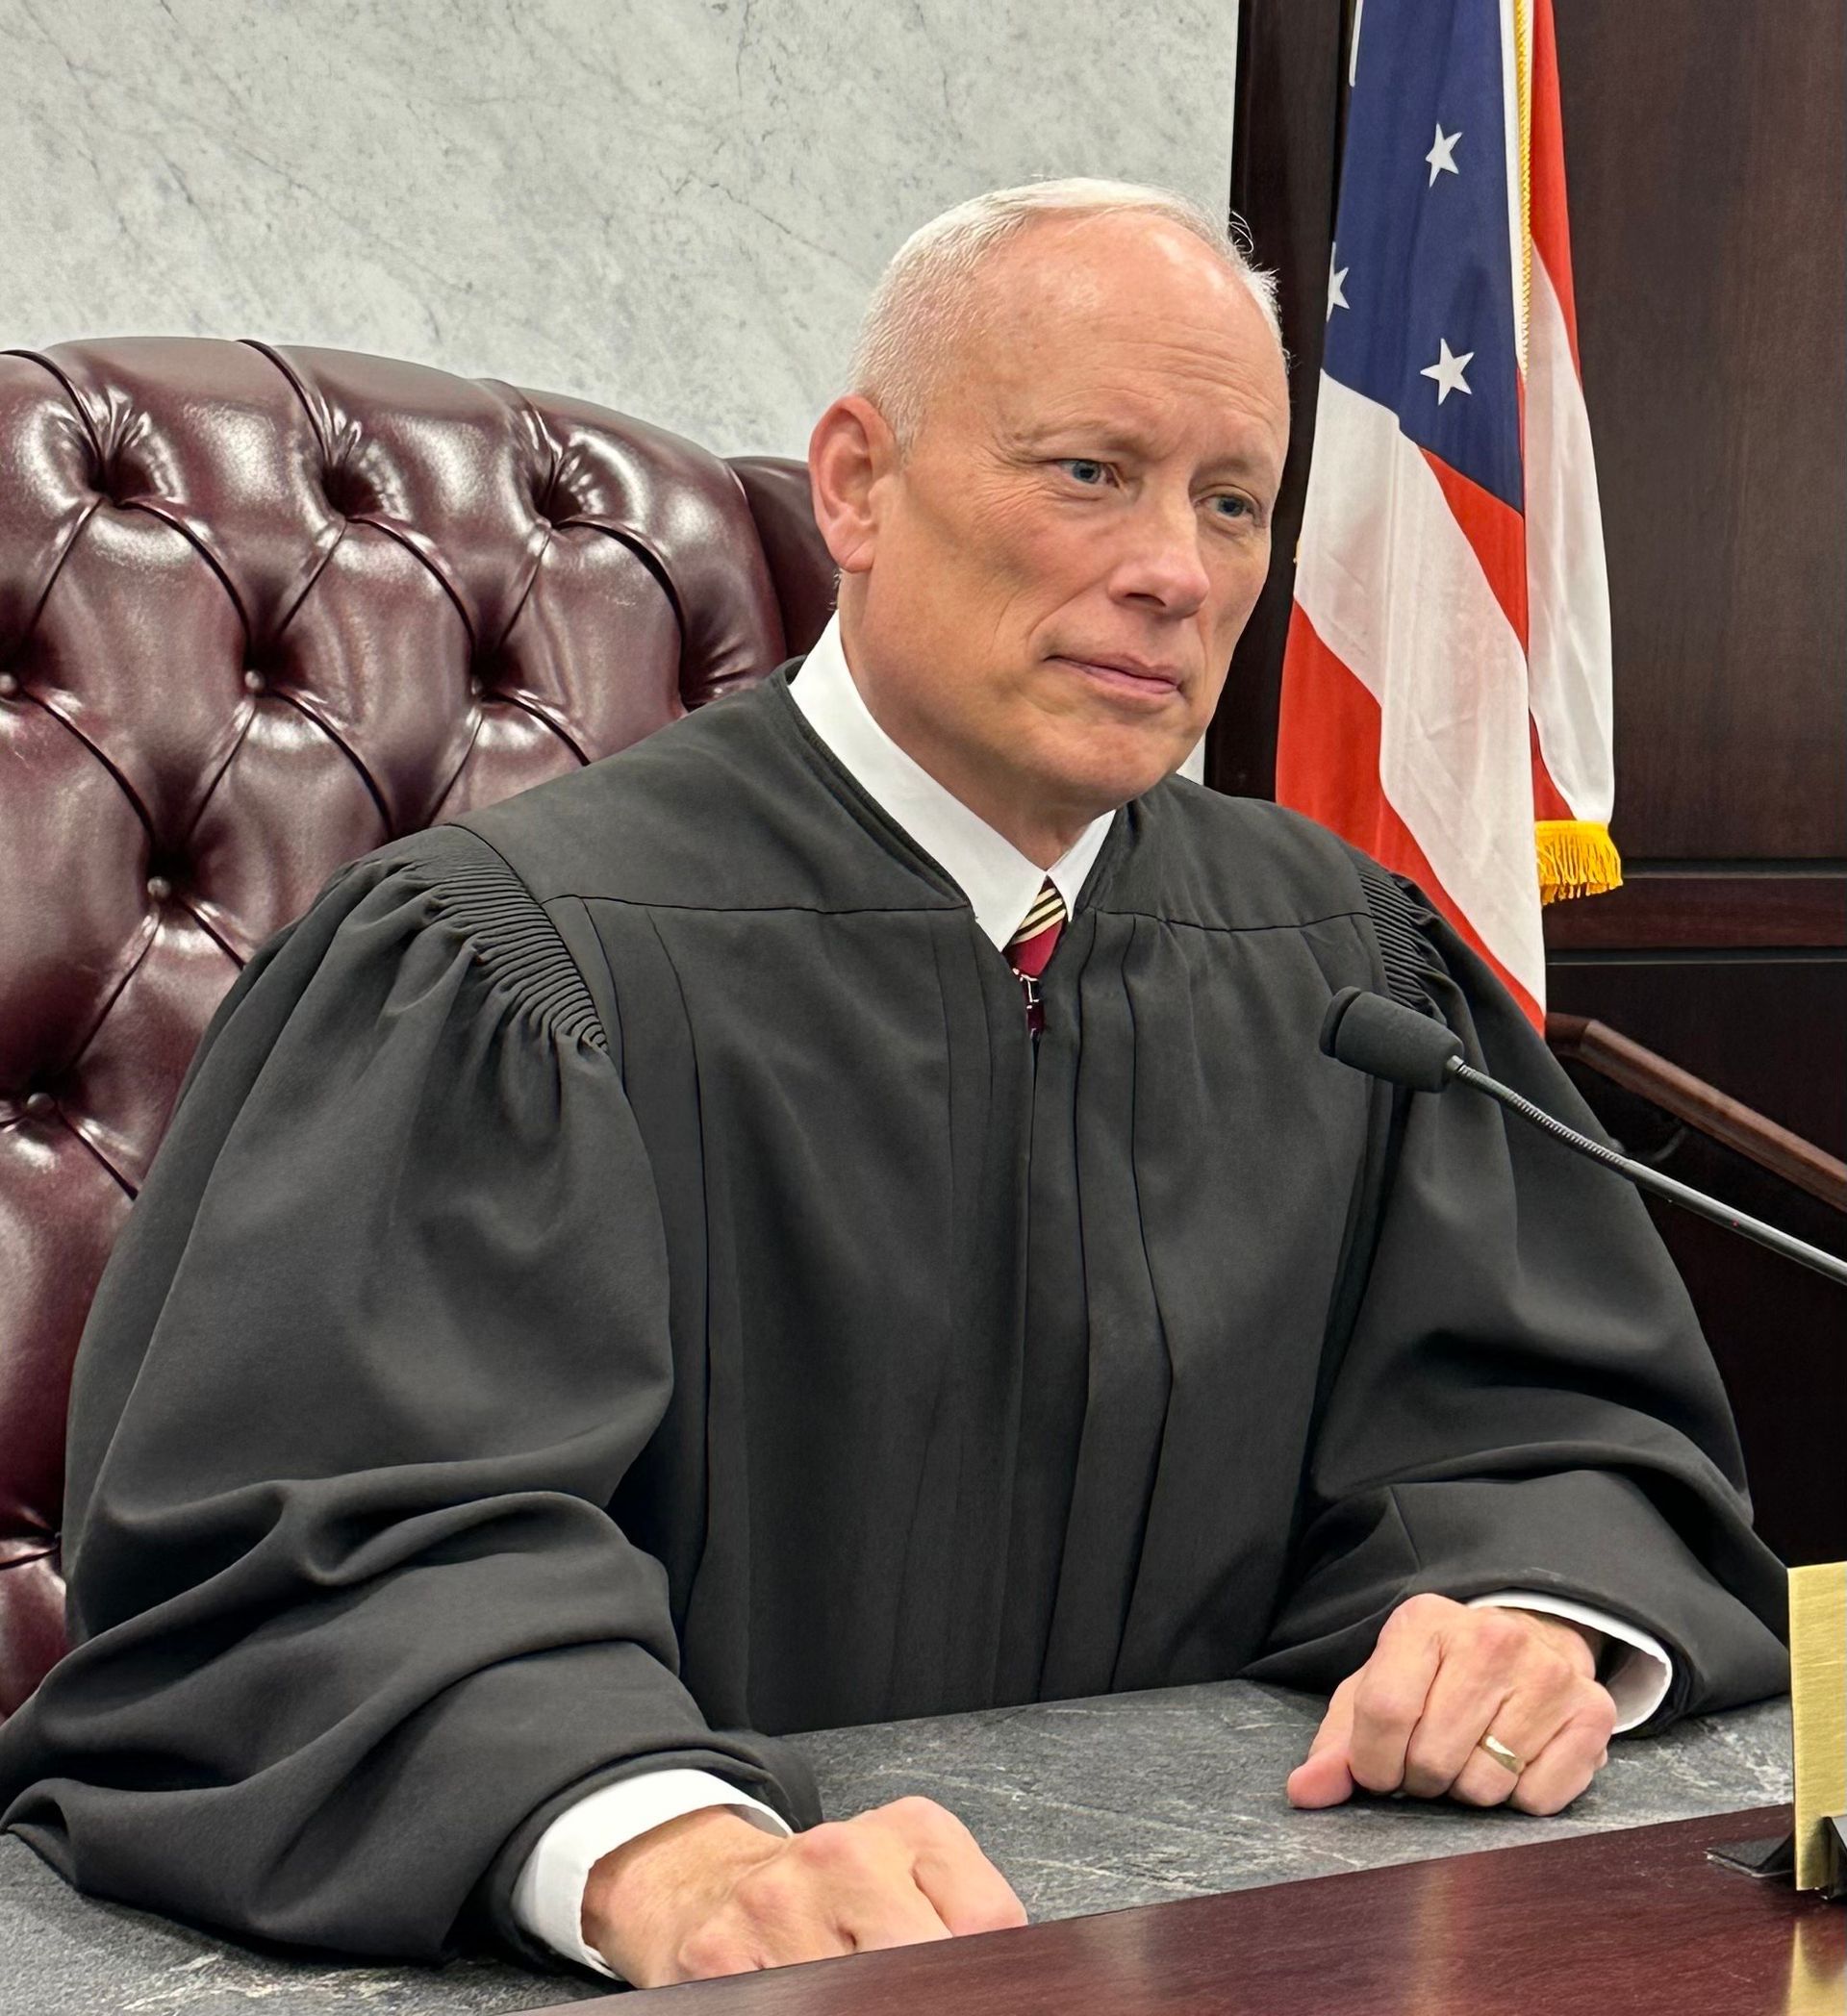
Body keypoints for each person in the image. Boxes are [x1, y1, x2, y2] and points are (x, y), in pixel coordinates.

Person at [0, 182, 1785, 1990]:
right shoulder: (513, 969)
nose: (1176, 567)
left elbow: (1546, 1430)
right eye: (1092, 471)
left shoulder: (1342, 968)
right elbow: (321, 1559)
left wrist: (1521, 1617)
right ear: (855, 484)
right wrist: (645, 1840)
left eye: (1233, 500)